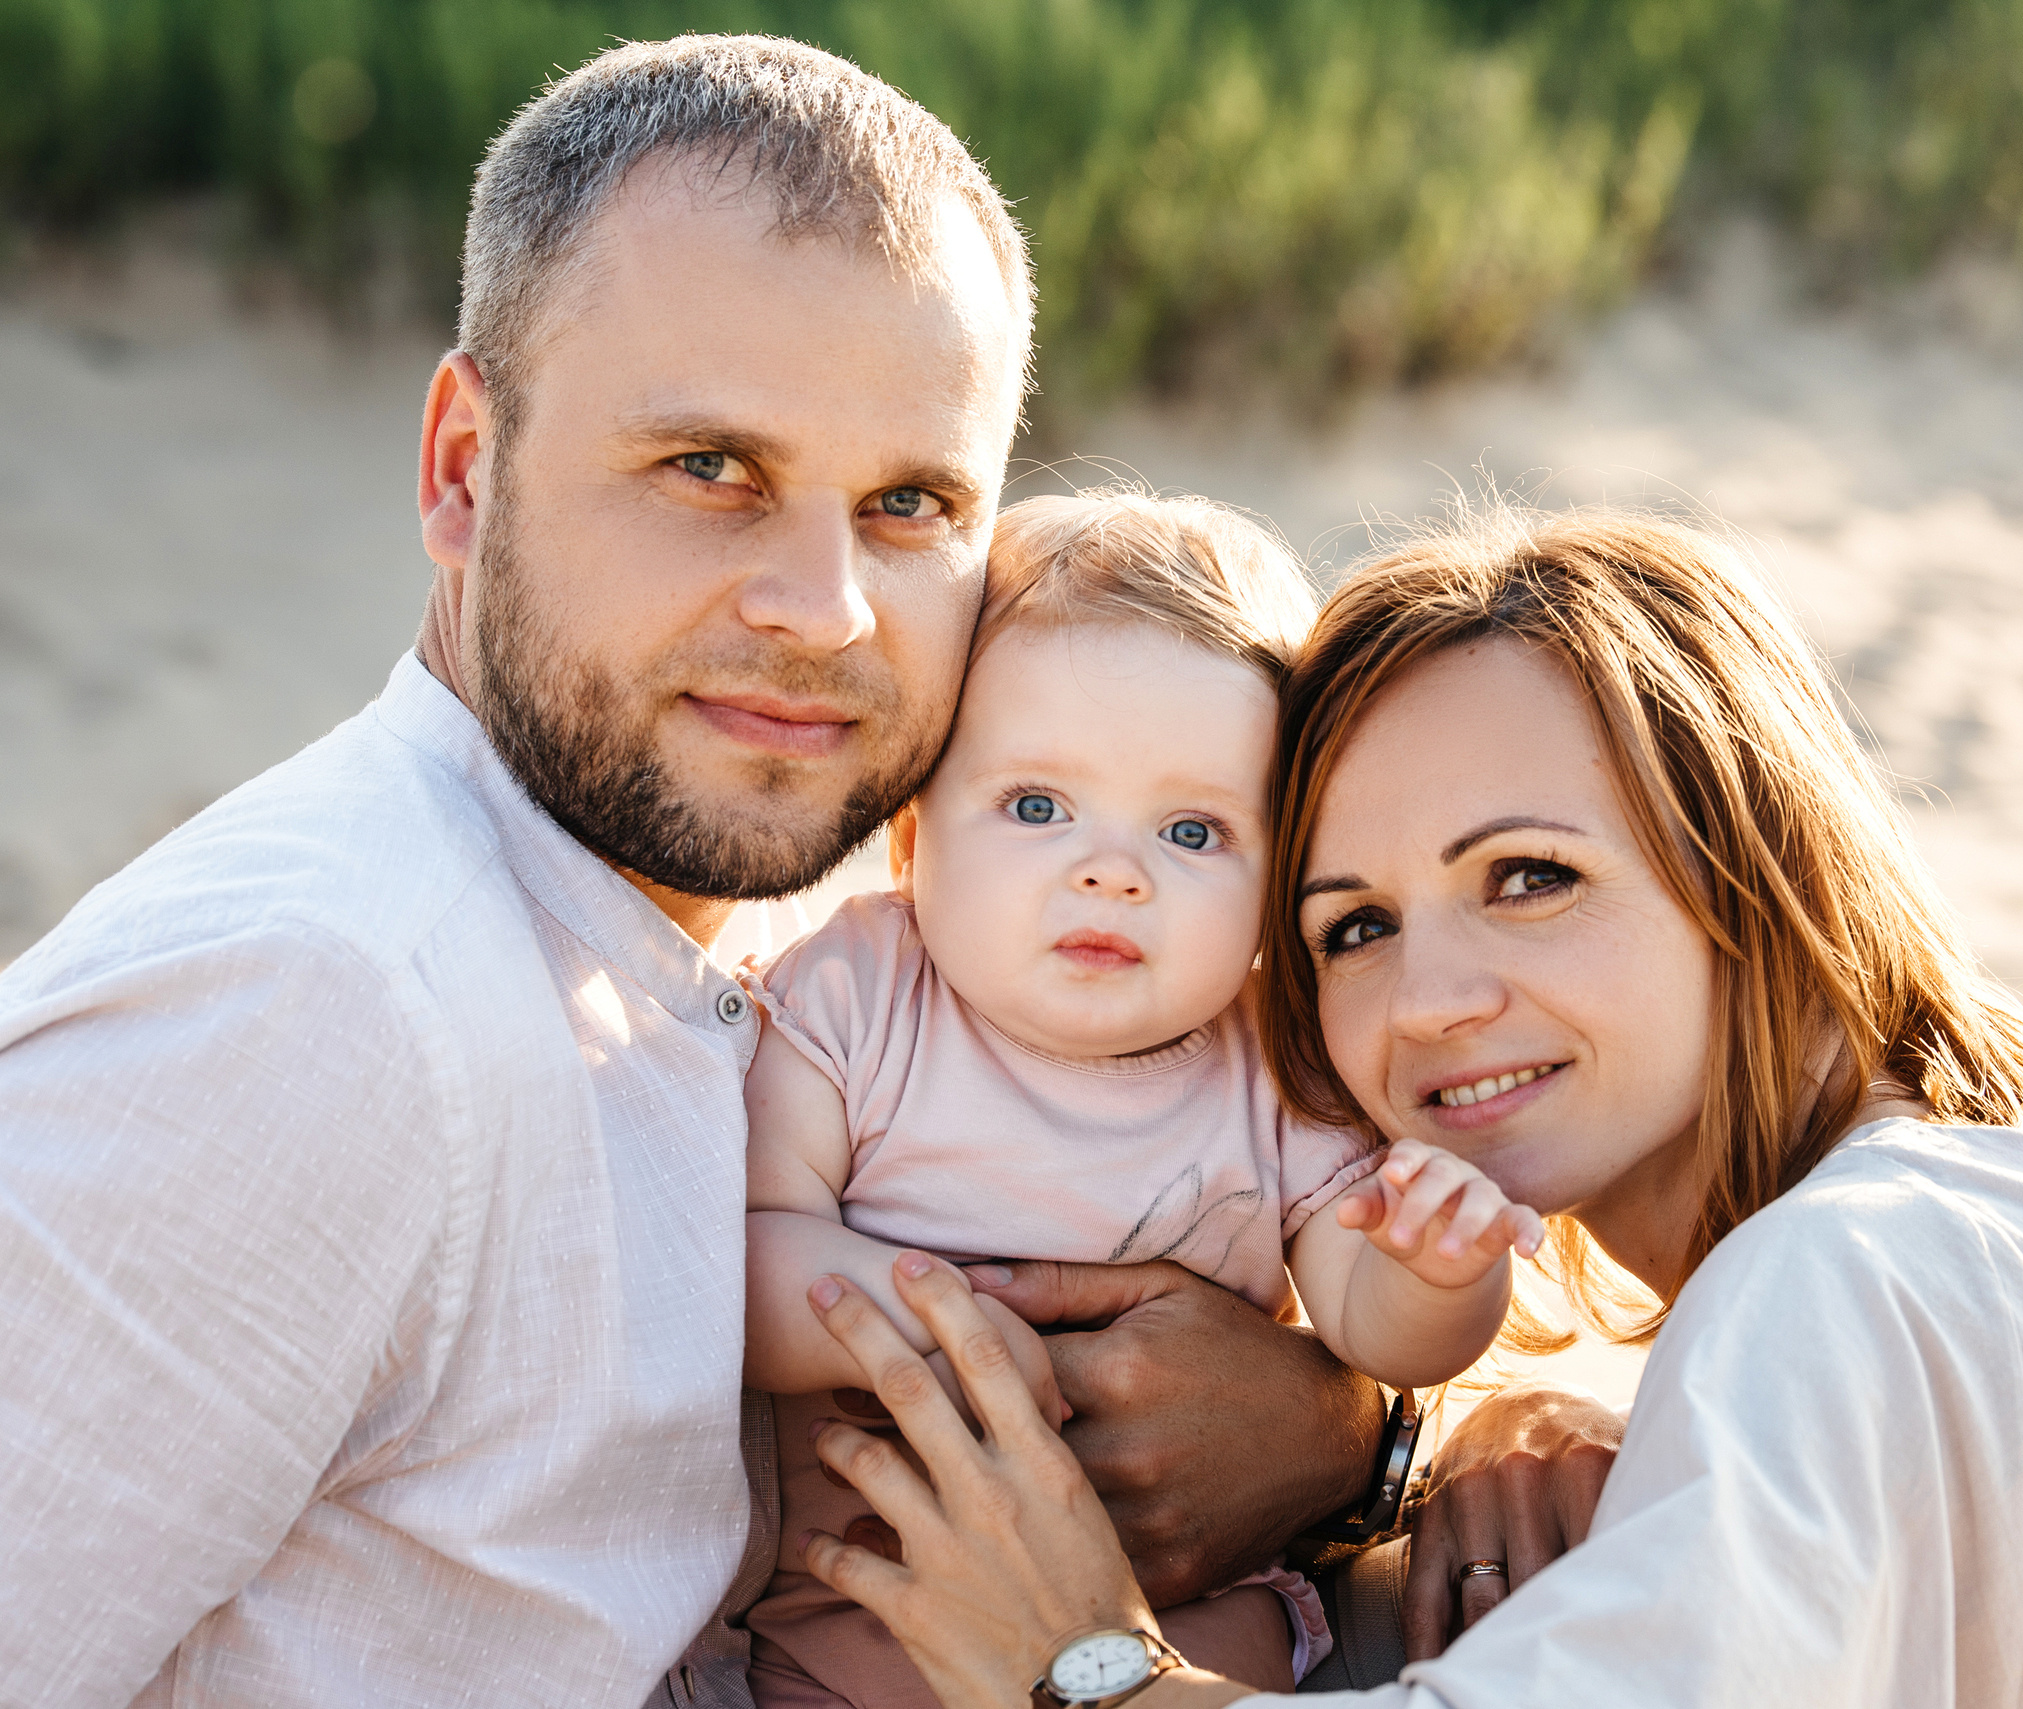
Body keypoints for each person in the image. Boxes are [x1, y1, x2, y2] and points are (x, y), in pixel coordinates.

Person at [0, 38, 1613, 1707]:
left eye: (912, 501)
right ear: (464, 470)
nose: (824, 604)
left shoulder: (799, 895)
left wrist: (1353, 1435)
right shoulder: (308, 1009)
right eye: (713, 468)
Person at [772, 507, 2023, 1707]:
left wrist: (1077, 1664)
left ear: (1753, 860)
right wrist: (1393, 1449)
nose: (1425, 1000)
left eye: (1528, 874)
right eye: (1351, 924)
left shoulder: (1853, 1274)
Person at [737, 492, 1545, 1705]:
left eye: (1191, 828)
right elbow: (743, 1252)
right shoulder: (860, 990)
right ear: (911, 839)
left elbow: (1375, 1331)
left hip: (1181, 1619)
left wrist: (1442, 1269)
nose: (1111, 870)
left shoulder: (1275, 1070)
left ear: (1278, 885)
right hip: (846, 1627)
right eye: (1035, 806)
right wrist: (925, 1321)